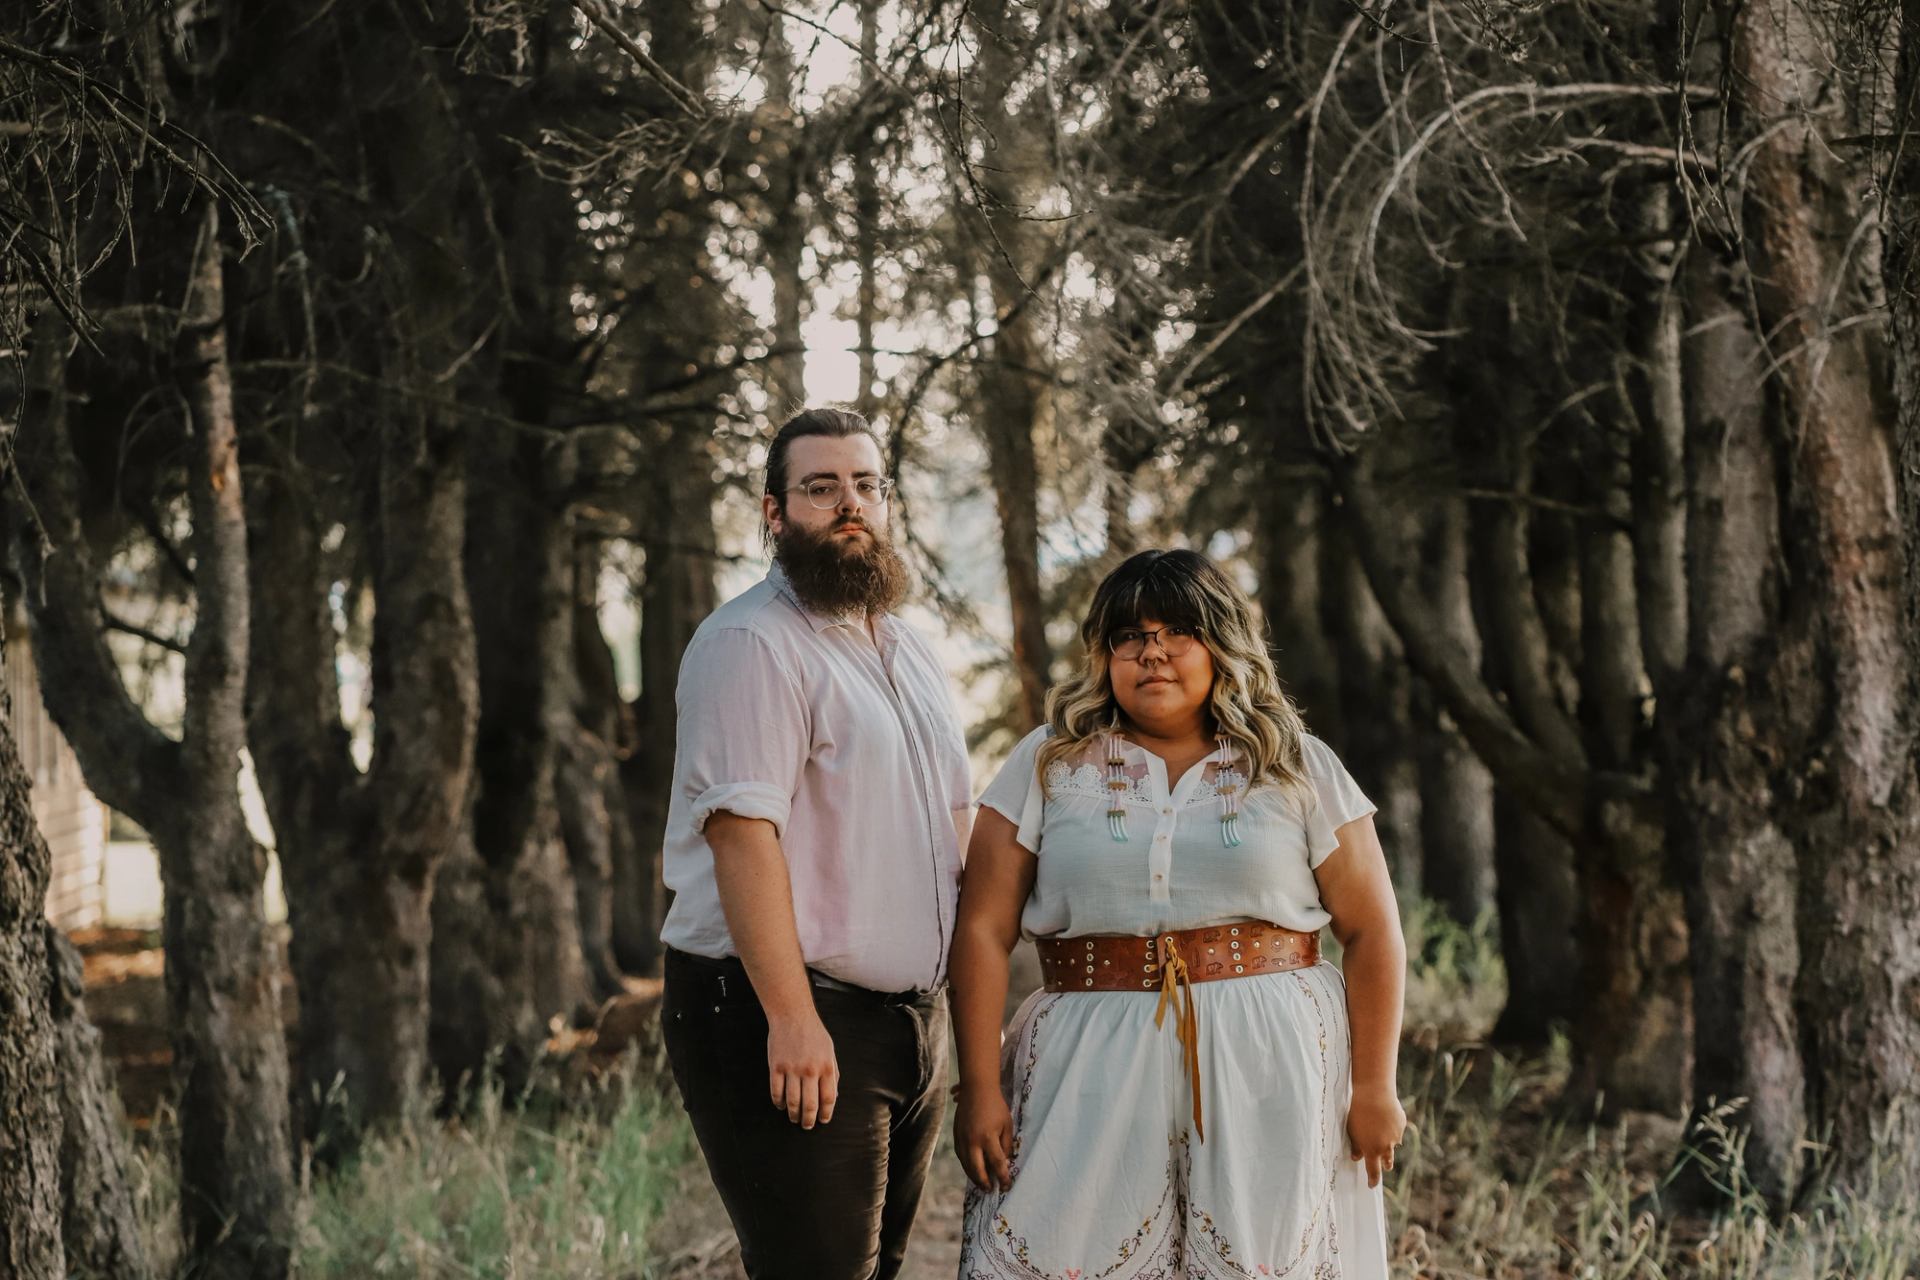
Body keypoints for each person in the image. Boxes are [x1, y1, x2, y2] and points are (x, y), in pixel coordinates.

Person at [951, 548, 1406, 1278]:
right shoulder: (1048, 763)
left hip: (1269, 1062)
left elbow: (1372, 928)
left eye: (1177, 632)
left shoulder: (1294, 764)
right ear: (1104, 655)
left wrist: (1375, 1086)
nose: (1152, 652)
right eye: (1130, 635)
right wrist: (977, 1086)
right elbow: (981, 928)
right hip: (1086, 1063)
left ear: (1222, 645)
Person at [659, 407, 974, 1280]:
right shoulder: (751, 644)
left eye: (868, 486)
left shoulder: (906, 650)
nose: (851, 505)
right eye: (822, 488)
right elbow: (741, 840)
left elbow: (957, 822)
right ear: (774, 512)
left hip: (909, 1021)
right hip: (785, 1012)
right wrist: (793, 1019)